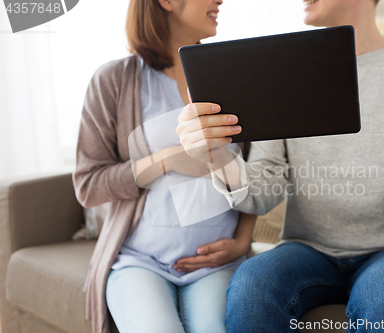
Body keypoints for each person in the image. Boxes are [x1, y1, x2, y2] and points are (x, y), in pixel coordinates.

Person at [176, 0, 384, 332]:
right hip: (306, 250)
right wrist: (218, 157)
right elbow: (261, 196)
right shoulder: (283, 74)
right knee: (254, 286)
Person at [73, 1, 257, 332]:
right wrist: (168, 160)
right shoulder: (114, 80)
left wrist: (243, 241)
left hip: (215, 265)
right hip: (139, 261)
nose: (220, 0)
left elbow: (255, 171)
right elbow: (89, 184)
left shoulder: (231, 76)